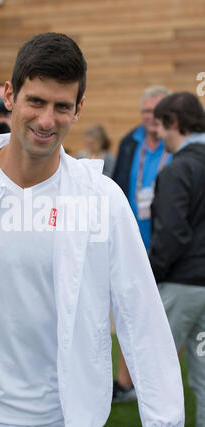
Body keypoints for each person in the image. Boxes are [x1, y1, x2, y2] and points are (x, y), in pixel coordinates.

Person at [0, 33, 184, 427]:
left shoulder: (100, 198)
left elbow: (138, 308)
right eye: (35, 101)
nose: (47, 120)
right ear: (9, 95)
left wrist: (164, 423)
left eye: (61, 106)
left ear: (79, 109)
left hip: (58, 421)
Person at [111, 85, 173, 402]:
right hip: (132, 244)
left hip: (170, 249)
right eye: (146, 112)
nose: (151, 118)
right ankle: (125, 383)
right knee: (129, 314)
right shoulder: (129, 142)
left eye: (157, 112)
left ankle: (159, 387)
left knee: (163, 321)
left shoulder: (180, 147)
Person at [148, 91, 205, 427]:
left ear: (173, 123)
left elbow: (172, 235)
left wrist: (148, 276)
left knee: (158, 378)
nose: (157, 135)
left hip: (181, 286)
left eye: (159, 126)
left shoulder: (179, 169)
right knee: (203, 378)